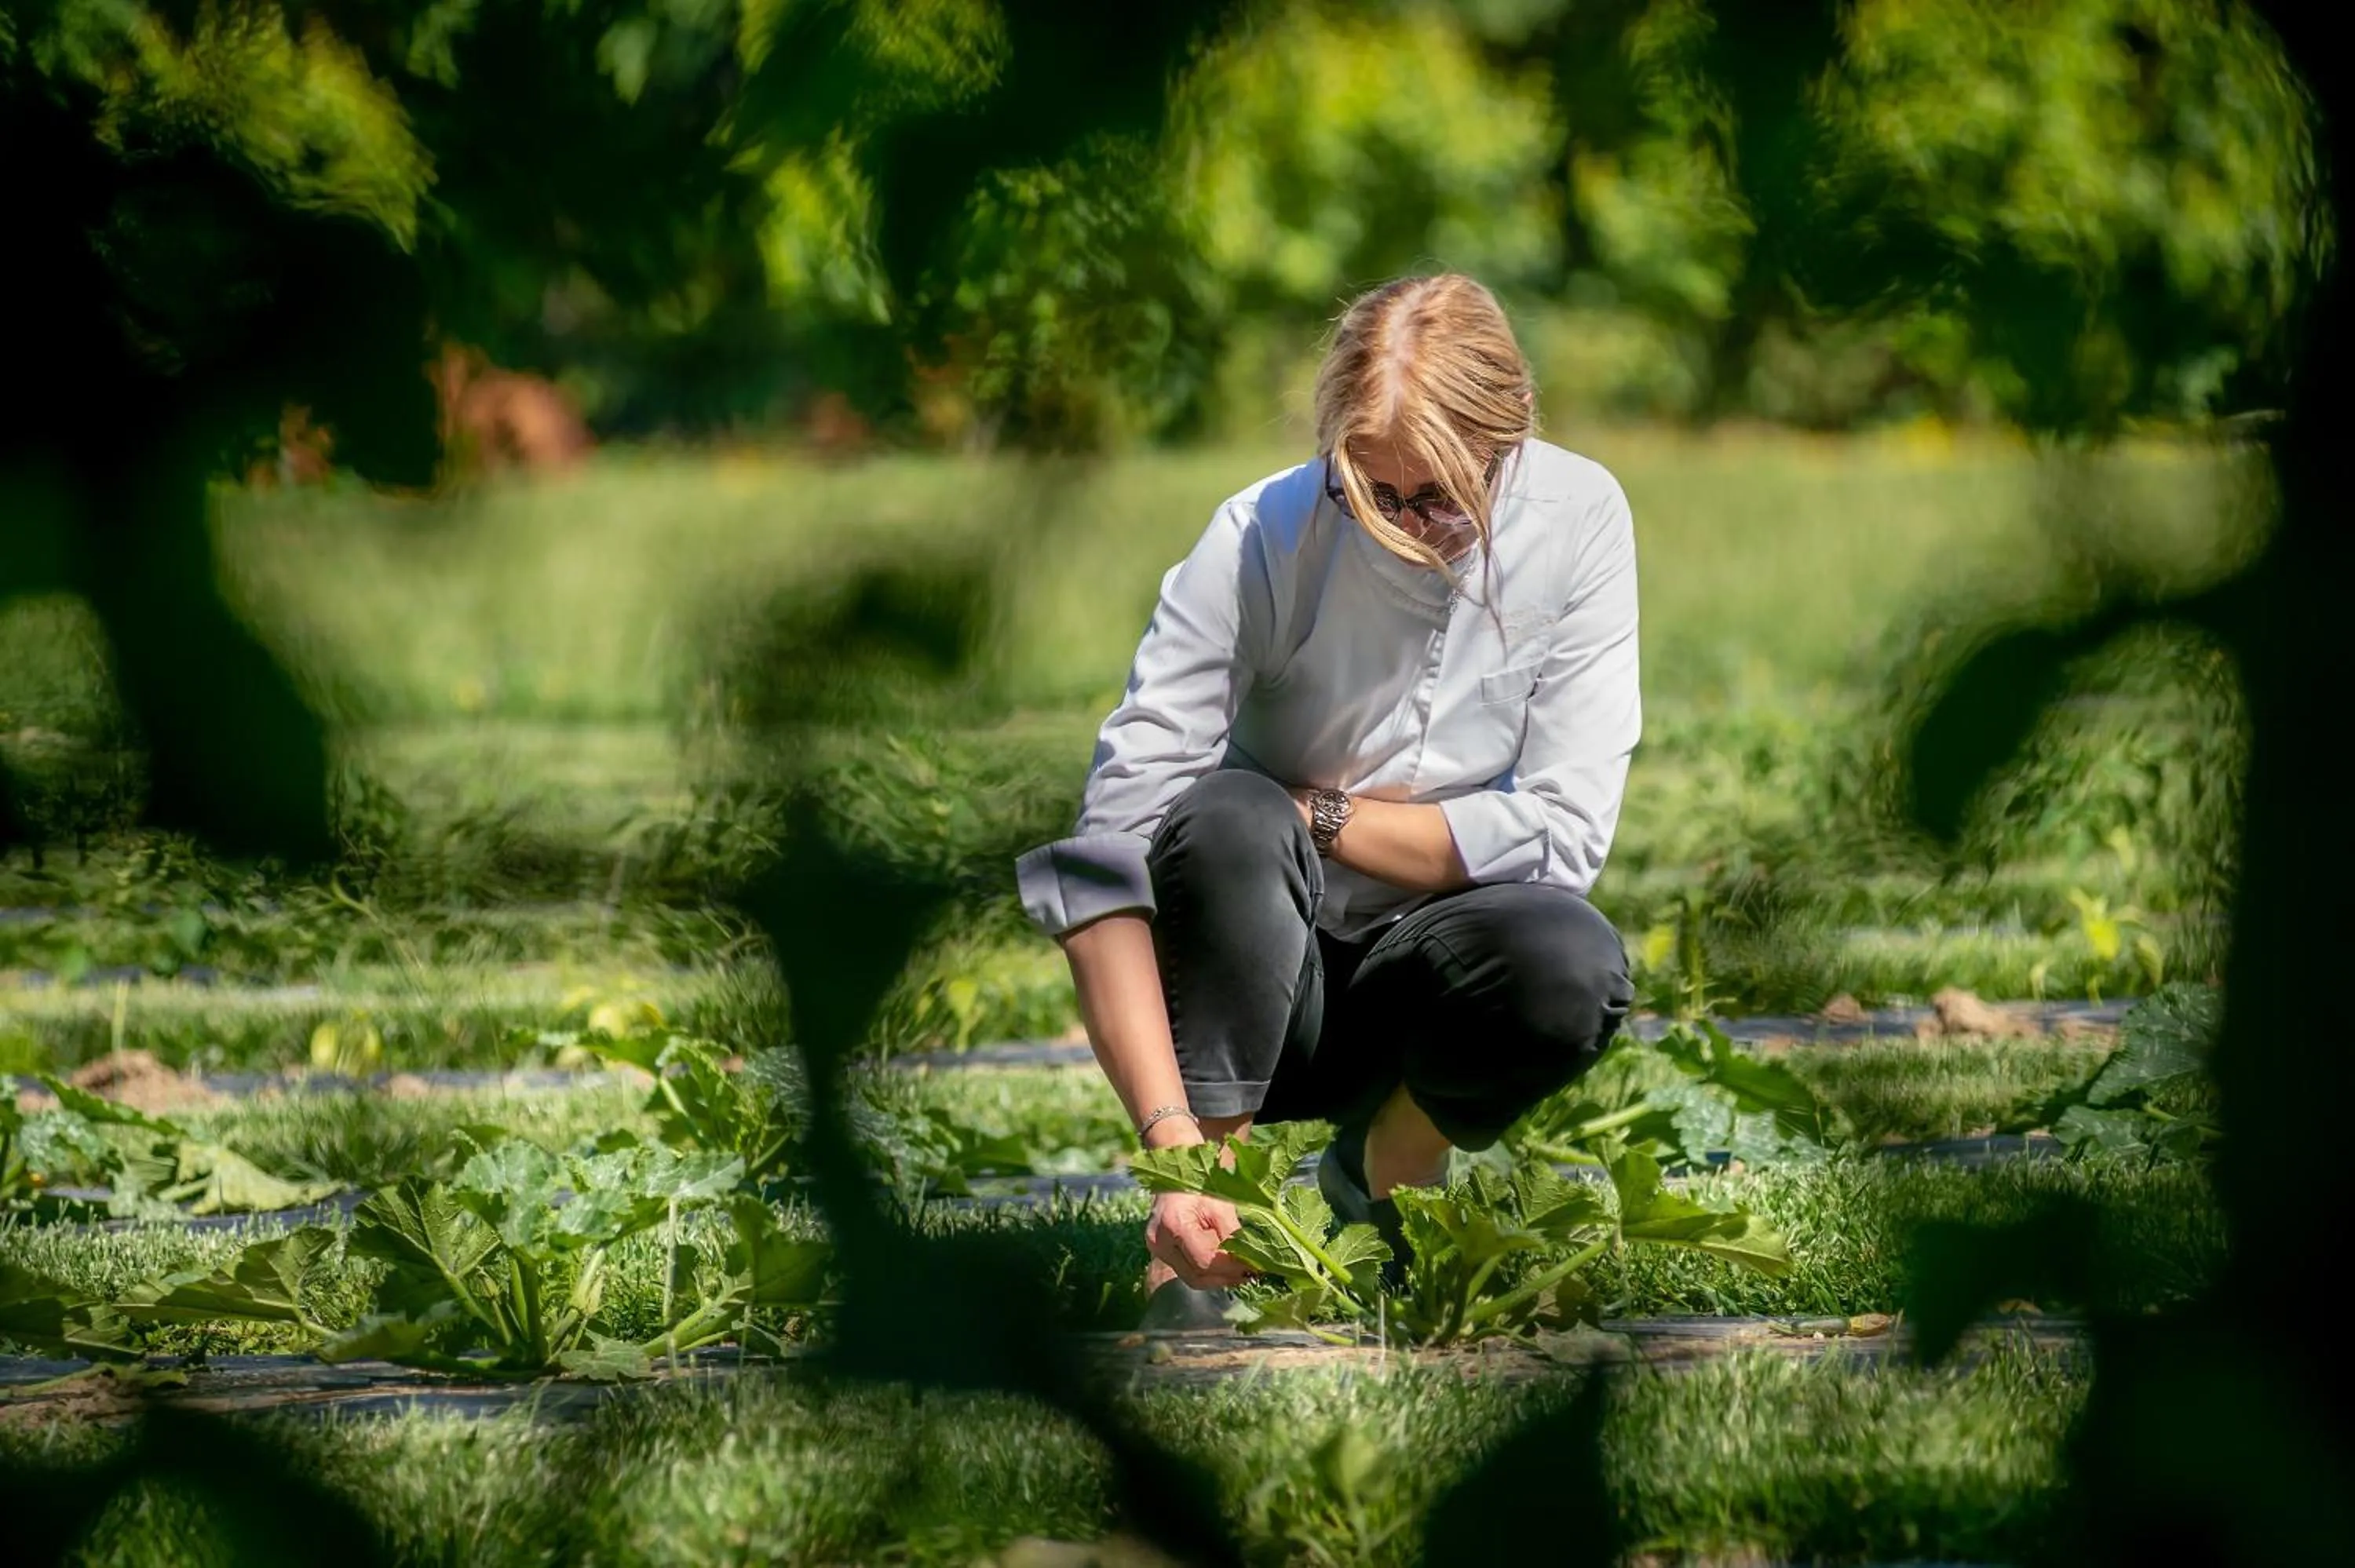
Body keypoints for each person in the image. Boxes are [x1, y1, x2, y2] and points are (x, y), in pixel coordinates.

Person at [1014, 274, 1639, 1326]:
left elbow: (1563, 841)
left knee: (1570, 957)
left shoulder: (1582, 522)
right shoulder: (1265, 532)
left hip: (1431, 985)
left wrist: (1325, 814)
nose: (1404, 527)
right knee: (1229, 820)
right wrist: (1168, 1146)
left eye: (1441, 496)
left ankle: (1386, 1171)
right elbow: (1104, 855)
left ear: (1515, 432)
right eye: (1373, 493)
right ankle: (1210, 1218)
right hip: (1248, 980)